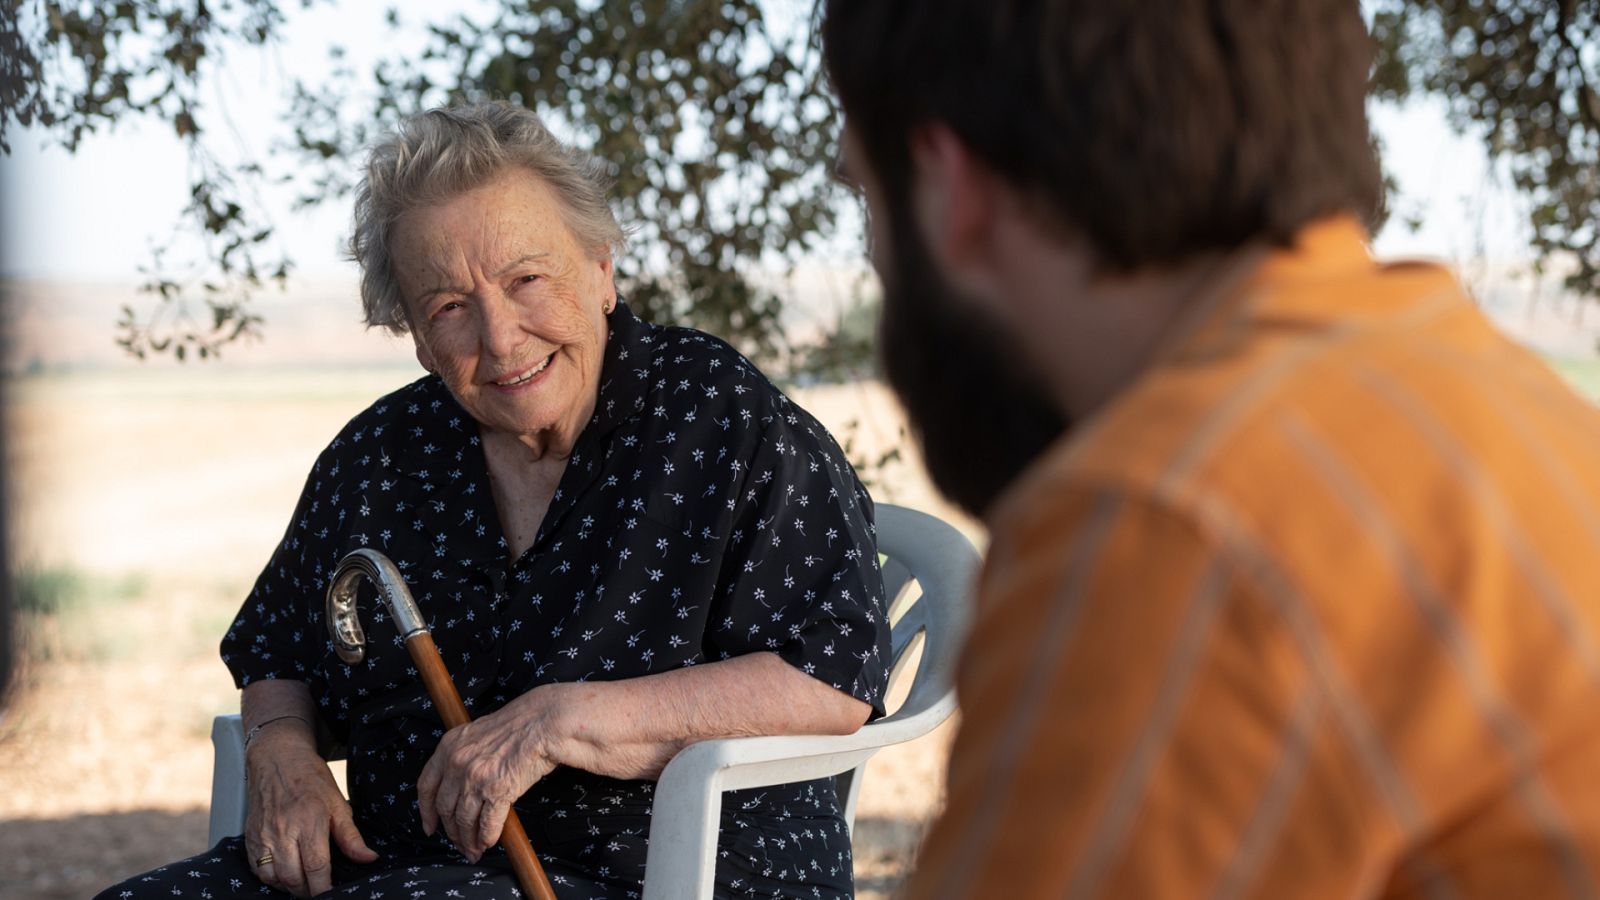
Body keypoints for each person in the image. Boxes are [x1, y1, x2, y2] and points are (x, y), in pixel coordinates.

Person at [823, 1, 1600, 897]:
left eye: (863, 191)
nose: (876, 255)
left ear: (948, 184)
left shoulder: (1168, 518)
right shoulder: (1487, 390)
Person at [96, 101, 890, 899]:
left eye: (527, 280)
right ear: (414, 335)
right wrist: (278, 749)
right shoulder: (381, 454)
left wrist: (562, 721)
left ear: (601, 270)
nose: (501, 337)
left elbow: (830, 676)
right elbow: (278, 648)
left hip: (668, 873)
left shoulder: (724, 421)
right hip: (397, 869)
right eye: (449, 307)